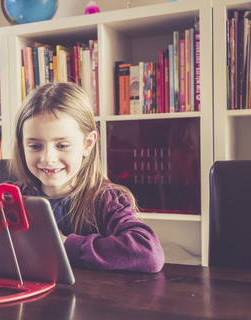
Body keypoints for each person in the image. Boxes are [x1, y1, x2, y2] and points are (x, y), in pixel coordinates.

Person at [8, 82, 165, 273]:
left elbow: (148, 254)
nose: (47, 159)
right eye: (35, 146)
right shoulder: (10, 197)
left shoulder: (108, 200)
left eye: (62, 145)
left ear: (87, 144)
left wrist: (65, 244)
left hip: (87, 300)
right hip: (30, 299)